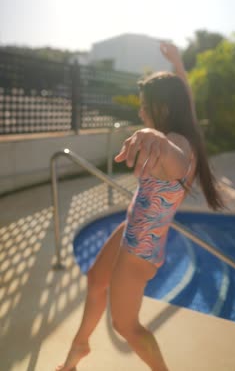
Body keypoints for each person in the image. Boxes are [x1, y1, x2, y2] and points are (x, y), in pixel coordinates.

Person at [56, 42, 224, 371]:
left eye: (144, 106)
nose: (140, 113)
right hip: (132, 233)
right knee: (95, 280)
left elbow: (175, 158)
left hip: (140, 252)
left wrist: (154, 137)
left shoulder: (176, 144)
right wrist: (177, 63)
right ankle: (80, 348)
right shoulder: (184, 125)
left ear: (161, 108)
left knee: (126, 327)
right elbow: (186, 98)